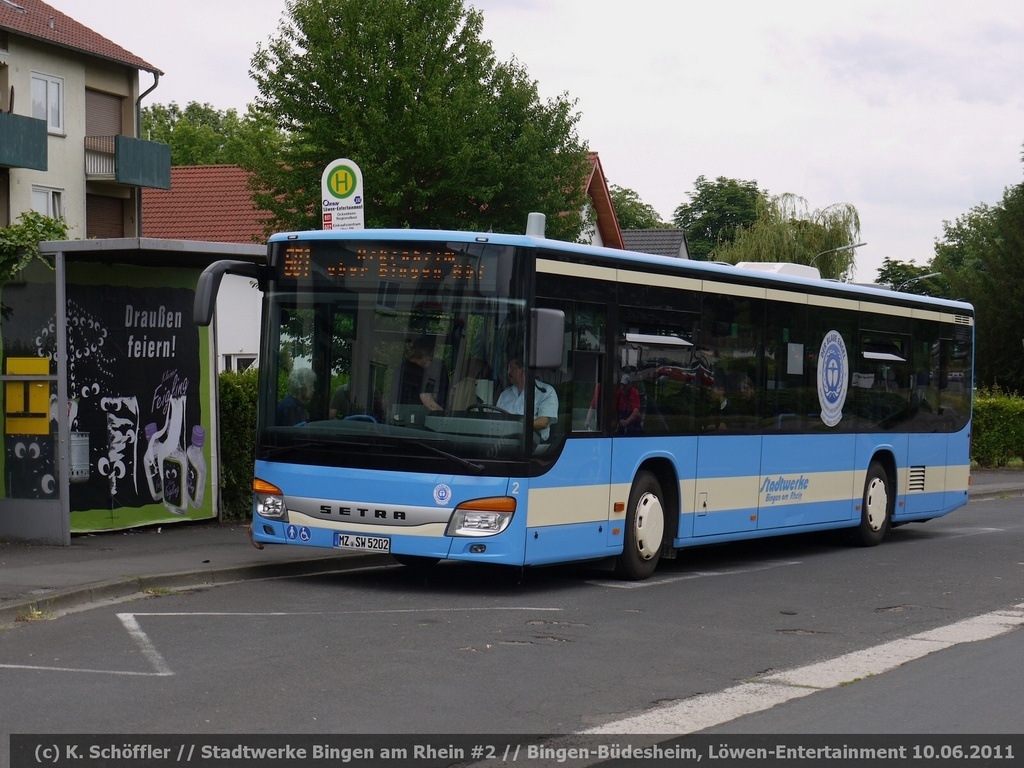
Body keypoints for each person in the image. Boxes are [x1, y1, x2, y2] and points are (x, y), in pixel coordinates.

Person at [496, 358, 558, 440]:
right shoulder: (505, 393)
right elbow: (495, 418)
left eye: (512, 368)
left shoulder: (545, 391)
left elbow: (543, 422)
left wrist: (517, 427)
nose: (508, 372)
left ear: (523, 370)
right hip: (502, 441)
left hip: (531, 444)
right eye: (508, 368)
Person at [396, 338, 445, 413]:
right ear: (424, 355)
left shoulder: (402, 368)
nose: (431, 362)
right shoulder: (416, 373)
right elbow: (429, 404)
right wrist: (446, 417)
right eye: (431, 358)